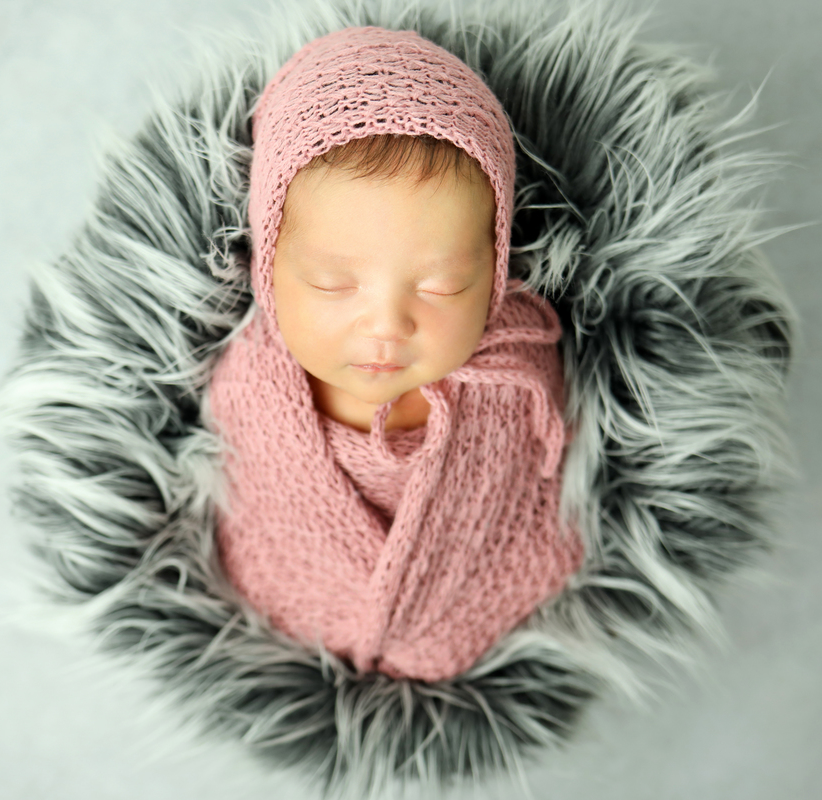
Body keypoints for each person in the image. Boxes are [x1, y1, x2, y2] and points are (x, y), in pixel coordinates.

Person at [205, 25, 583, 683]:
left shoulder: (518, 373)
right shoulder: (251, 385)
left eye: (443, 286)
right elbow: (255, 515)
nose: (387, 324)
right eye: (332, 283)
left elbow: (533, 510)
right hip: (292, 644)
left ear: (496, 270)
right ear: (267, 268)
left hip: (492, 639)